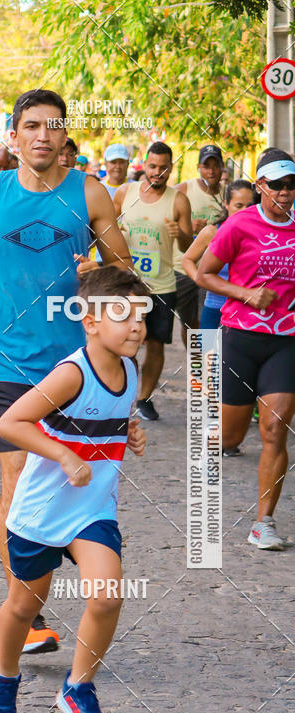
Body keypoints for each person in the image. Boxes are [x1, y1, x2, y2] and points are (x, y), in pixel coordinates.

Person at [0, 88, 132, 655]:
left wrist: (98, 268)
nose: (42, 135)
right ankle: (30, 620)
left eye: (53, 126)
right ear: (14, 136)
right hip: (7, 359)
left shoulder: (90, 194)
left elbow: (124, 272)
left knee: (42, 489)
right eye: (31, 126)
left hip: (74, 367)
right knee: (22, 480)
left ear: (64, 134)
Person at [0, 267, 149, 713]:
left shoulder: (131, 370)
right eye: (123, 316)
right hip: (39, 511)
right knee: (22, 606)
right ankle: (5, 676)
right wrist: (62, 454)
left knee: (107, 596)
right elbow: (12, 424)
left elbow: (113, 416)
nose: (136, 326)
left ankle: (78, 687)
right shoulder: (71, 374)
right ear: (91, 322)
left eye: (141, 316)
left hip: (92, 510)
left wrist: (130, 431)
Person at [197, 148, 295, 550]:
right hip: (240, 335)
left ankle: (264, 522)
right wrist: (245, 294)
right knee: (230, 437)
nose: (286, 193)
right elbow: (202, 273)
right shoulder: (240, 225)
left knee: (274, 429)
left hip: (286, 341)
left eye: (292, 185)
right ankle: (208, 445)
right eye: (277, 185)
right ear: (260, 186)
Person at [113, 141, 192, 420]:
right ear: (144, 165)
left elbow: (187, 246)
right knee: (123, 341)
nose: (157, 172)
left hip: (161, 285)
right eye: (153, 166)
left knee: (156, 343)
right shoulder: (125, 192)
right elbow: (106, 229)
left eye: (163, 168)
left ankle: (145, 398)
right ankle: (122, 393)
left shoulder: (178, 199)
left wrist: (179, 233)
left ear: (171, 168)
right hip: (127, 285)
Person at [182, 179, 254, 330]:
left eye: (249, 206)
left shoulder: (261, 237)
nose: (244, 211)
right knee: (203, 352)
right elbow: (187, 260)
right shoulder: (212, 232)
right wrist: (200, 279)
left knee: (232, 354)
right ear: (226, 204)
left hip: (246, 311)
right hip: (214, 307)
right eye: (238, 206)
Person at [173, 145, 226, 341]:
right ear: (198, 167)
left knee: (208, 323)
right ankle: (197, 367)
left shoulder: (229, 194)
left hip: (215, 270)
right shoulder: (184, 189)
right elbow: (164, 213)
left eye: (216, 165)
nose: (211, 171)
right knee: (189, 323)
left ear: (223, 167)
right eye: (206, 166)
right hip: (185, 268)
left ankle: (207, 366)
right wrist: (187, 225)